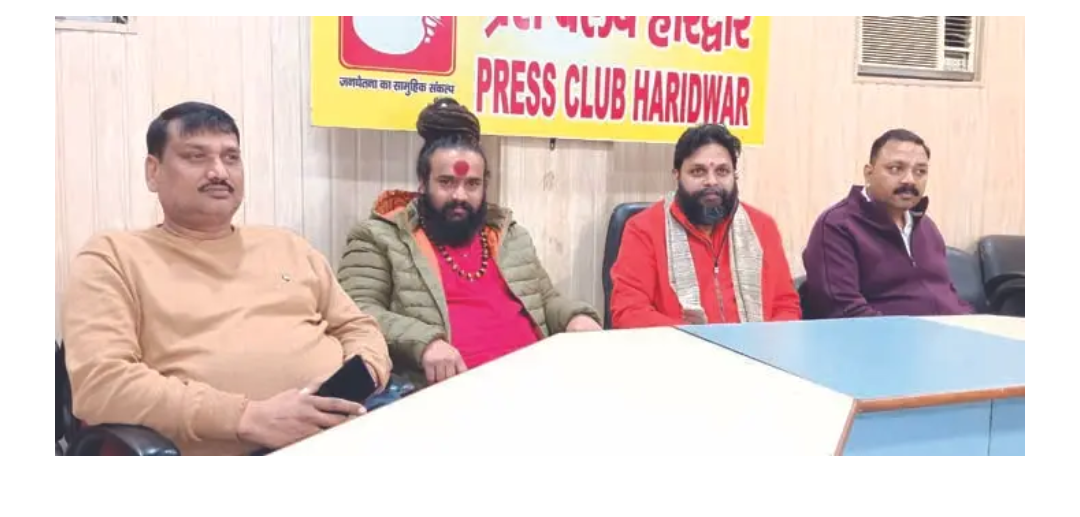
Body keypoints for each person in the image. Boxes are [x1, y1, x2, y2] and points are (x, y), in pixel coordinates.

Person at [61, 101, 392, 456]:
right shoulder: (112, 257)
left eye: (231, 157)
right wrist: (246, 417)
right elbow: (101, 384)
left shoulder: (287, 245)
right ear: (153, 171)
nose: (219, 171)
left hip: (347, 434)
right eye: (196, 156)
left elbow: (358, 327)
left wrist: (362, 376)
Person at [338, 97, 602, 388]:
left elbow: (546, 299)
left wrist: (575, 317)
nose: (460, 196)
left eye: (472, 184)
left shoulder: (509, 235)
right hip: (451, 395)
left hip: (539, 380)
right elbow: (354, 311)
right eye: (446, 182)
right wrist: (424, 342)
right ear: (423, 184)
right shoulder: (379, 235)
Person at [609, 124, 802, 328]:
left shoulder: (762, 227)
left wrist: (763, 341)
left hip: (755, 346)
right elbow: (628, 312)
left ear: (734, 175)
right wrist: (693, 336)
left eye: (722, 171)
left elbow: (785, 306)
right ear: (677, 175)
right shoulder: (644, 229)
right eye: (698, 171)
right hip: (677, 346)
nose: (711, 181)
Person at [800, 128, 973, 318]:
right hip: (885, 335)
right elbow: (844, 310)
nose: (910, 180)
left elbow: (947, 295)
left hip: (951, 331)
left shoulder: (926, 227)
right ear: (868, 173)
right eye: (895, 169)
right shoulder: (838, 226)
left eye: (920, 171)